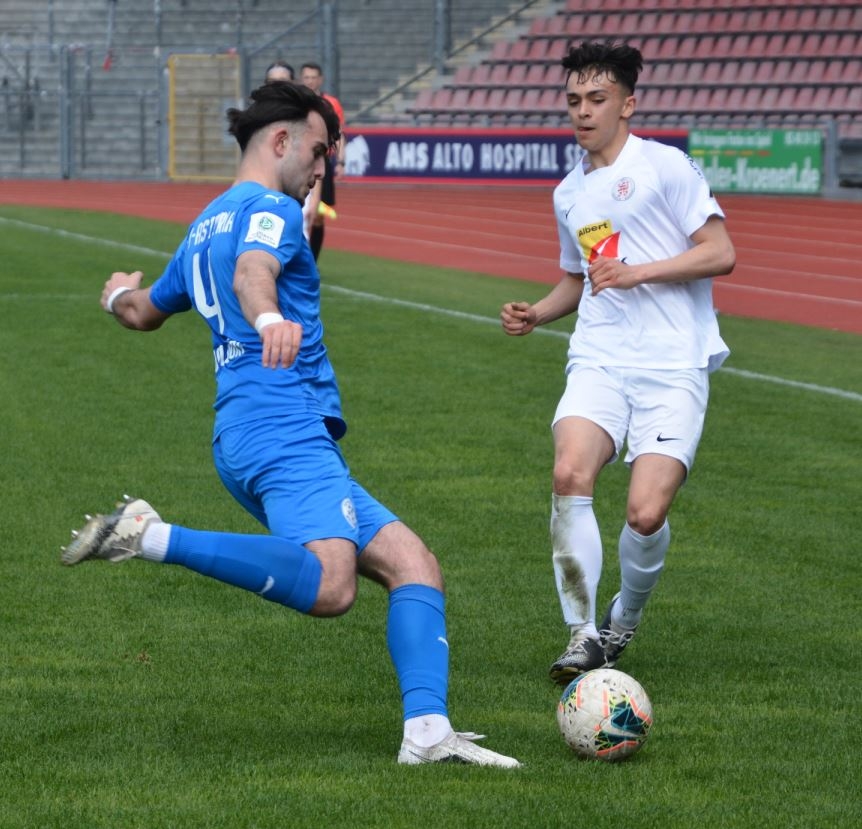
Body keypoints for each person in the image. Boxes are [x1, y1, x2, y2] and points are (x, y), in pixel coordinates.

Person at [61, 82, 520, 769]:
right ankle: (147, 535)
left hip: (247, 432)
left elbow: (142, 311)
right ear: (280, 141)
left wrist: (116, 294)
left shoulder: (204, 224)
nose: (322, 167)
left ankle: (427, 733)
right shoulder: (272, 208)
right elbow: (254, 272)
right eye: (318, 150)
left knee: (413, 563)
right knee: (333, 584)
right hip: (283, 428)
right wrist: (270, 315)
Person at [500, 41, 735, 686]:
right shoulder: (570, 193)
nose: (583, 111)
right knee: (569, 471)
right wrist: (537, 313)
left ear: (627, 104)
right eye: (574, 99)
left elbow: (720, 251)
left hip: (673, 362)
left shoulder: (664, 166)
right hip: (600, 356)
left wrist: (638, 273)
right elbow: (581, 278)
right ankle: (581, 633)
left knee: (645, 514)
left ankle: (623, 616)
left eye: (597, 99)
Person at [299, 61, 345, 261]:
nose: (310, 81)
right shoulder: (297, 102)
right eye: (306, 77)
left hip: (321, 161)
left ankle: (312, 261)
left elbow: (339, 134)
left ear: (320, 80)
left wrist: (341, 161)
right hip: (299, 160)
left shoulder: (330, 104)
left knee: (318, 214)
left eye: (313, 77)